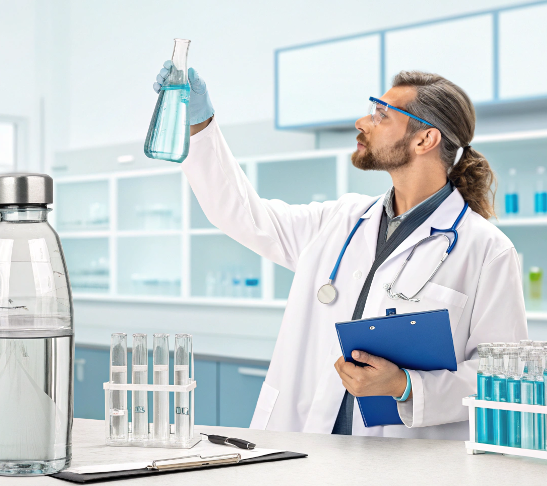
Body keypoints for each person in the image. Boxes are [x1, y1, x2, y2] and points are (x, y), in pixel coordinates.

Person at [153, 64, 527, 439]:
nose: (362, 121)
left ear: (424, 139)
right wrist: (200, 126)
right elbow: (241, 215)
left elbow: (503, 376)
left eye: (382, 114)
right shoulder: (339, 220)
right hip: (302, 444)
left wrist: (407, 386)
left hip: (402, 460)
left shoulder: (486, 250)